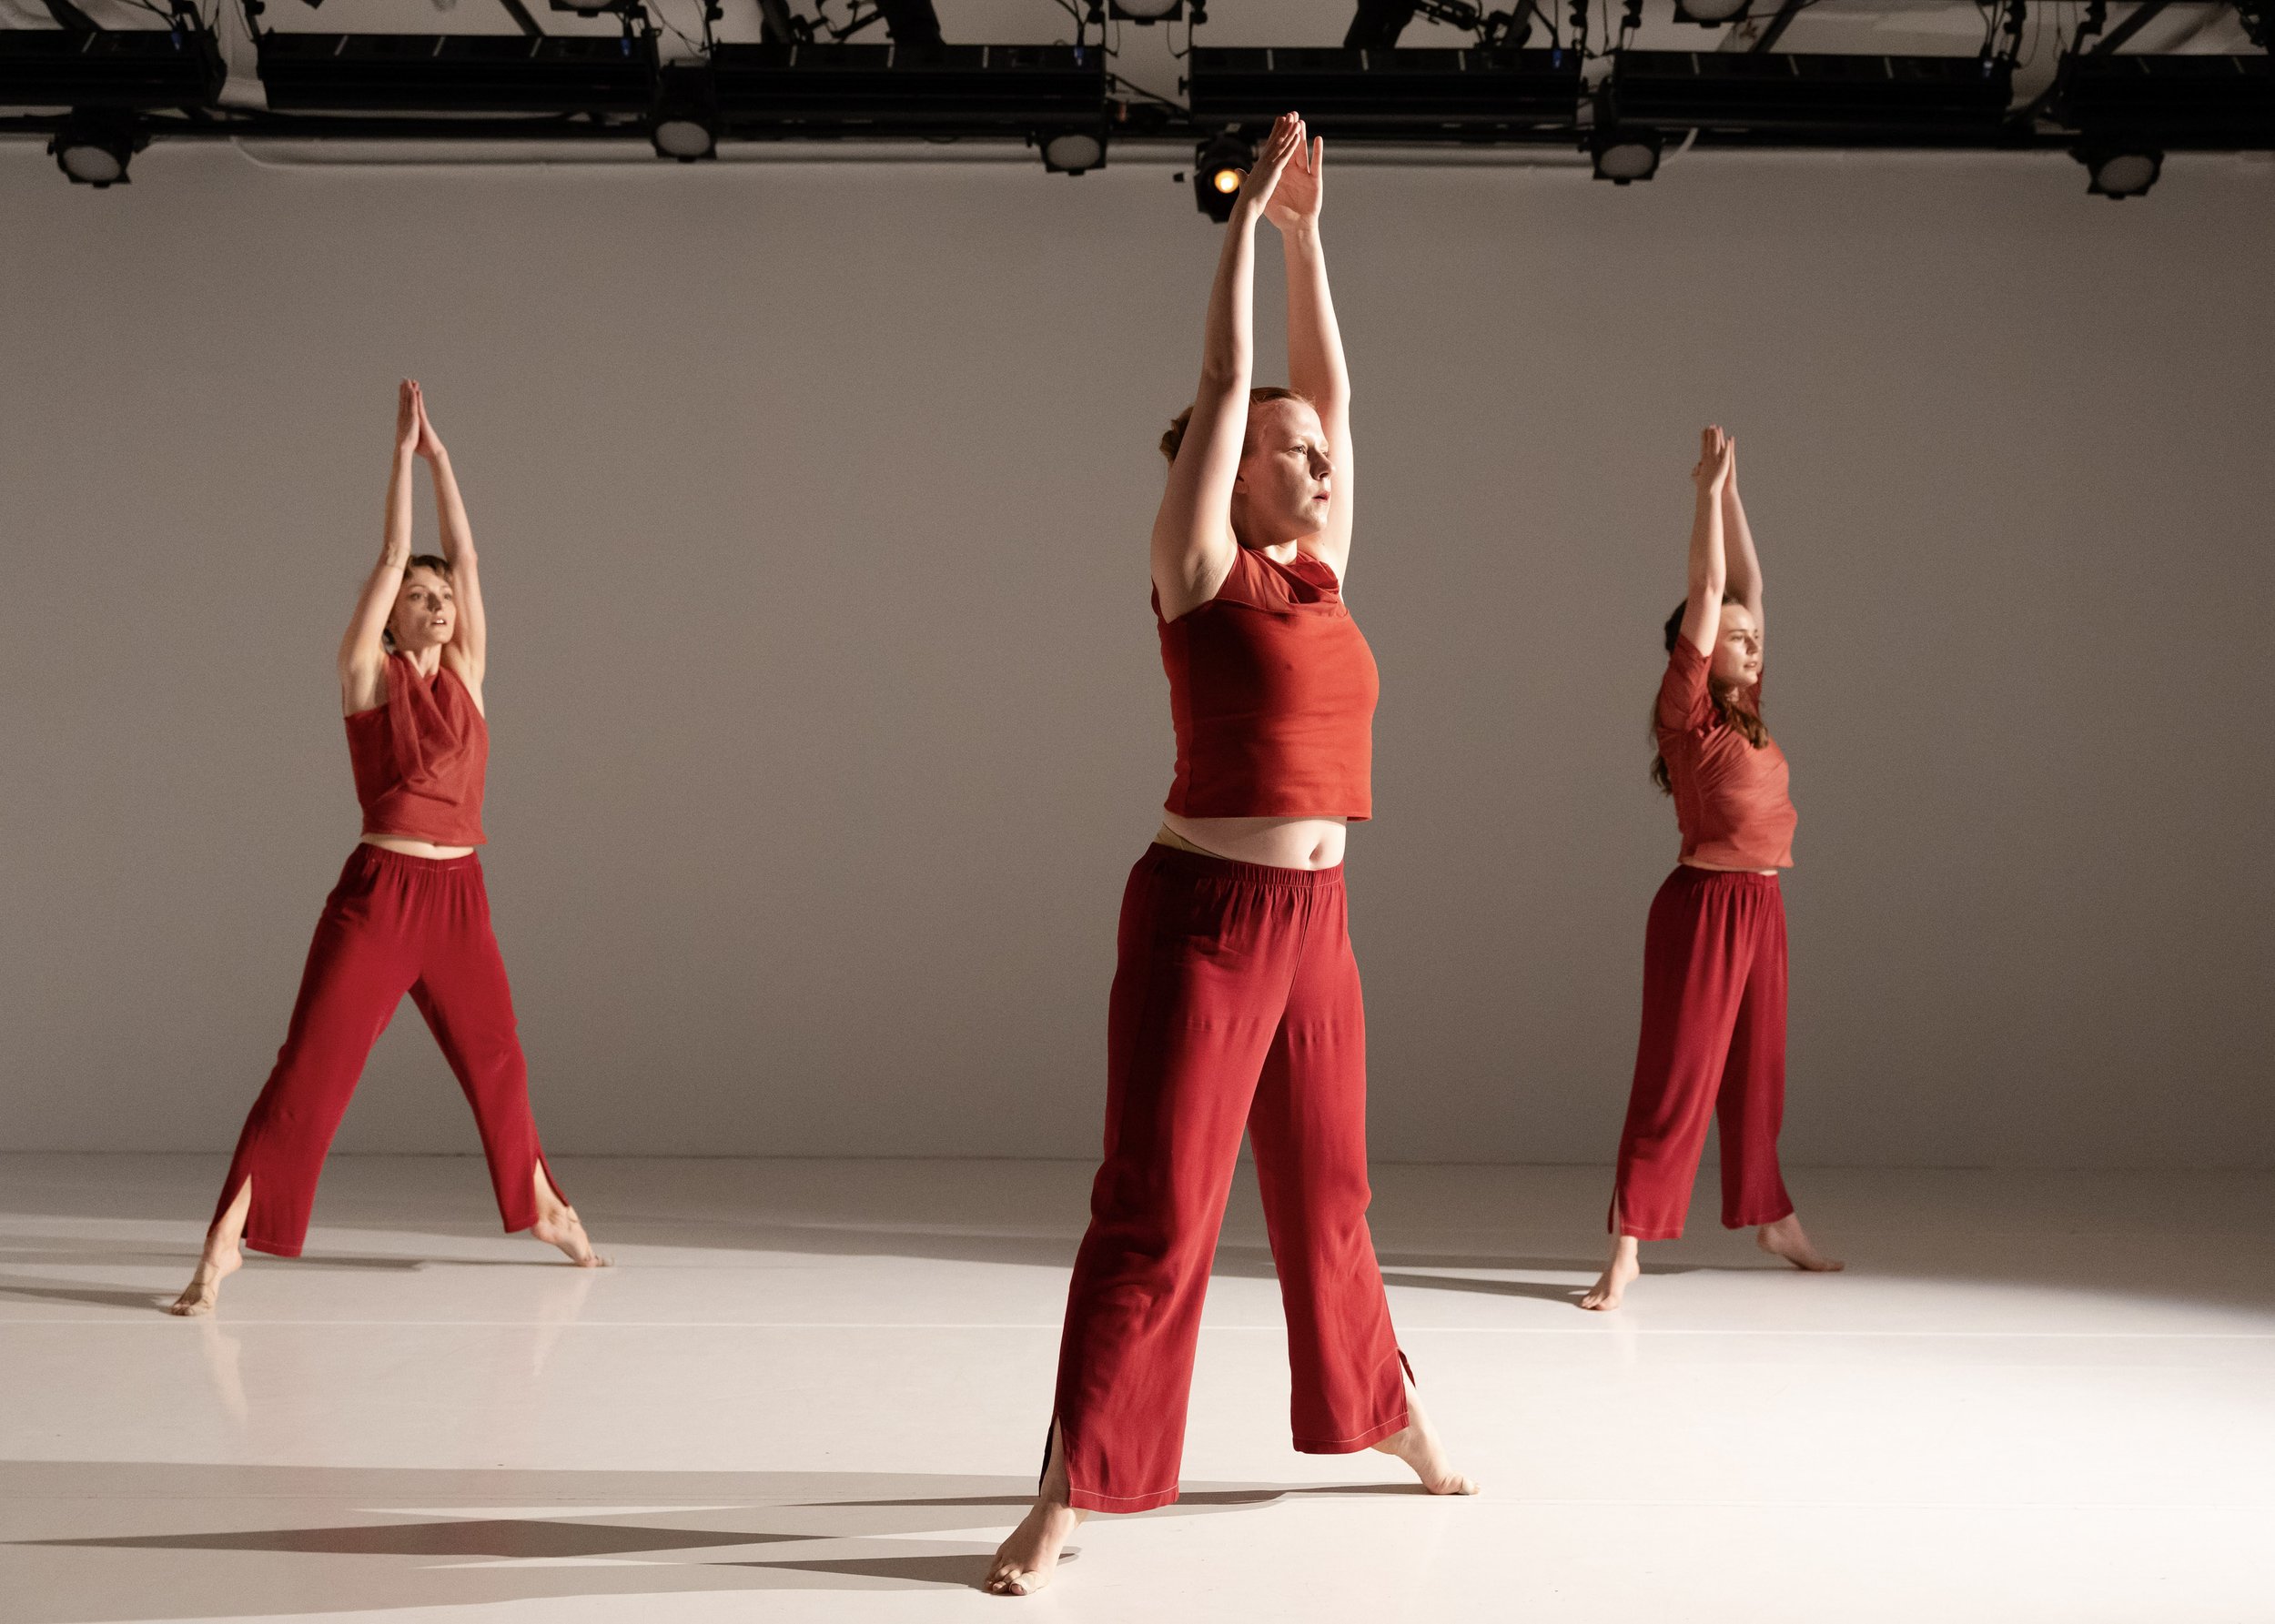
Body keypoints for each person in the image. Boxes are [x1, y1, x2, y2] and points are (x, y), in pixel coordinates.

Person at [986, 113, 1475, 1599]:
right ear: (1227, 477)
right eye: (1288, 455)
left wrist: (1313, 237)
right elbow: (1232, 384)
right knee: (1158, 1206)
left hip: (1318, 921)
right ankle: (1075, 1482)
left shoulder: (1326, 573)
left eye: (1323, 456)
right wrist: (1241, 228)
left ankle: (1378, 1406)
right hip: (1203, 920)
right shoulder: (1198, 573)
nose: (1319, 461)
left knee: (1331, 1195)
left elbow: (1333, 386)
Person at [169, 380, 602, 1317]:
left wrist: (448, 462)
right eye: (419, 596)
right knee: (310, 1069)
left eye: (443, 595)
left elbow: (472, 556)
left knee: (500, 1062)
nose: (436, 602)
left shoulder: (473, 677)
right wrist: (402, 460)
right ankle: (224, 1245)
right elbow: (393, 551)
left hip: (460, 902)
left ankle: (547, 1210)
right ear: (392, 617)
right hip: (380, 896)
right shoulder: (365, 677)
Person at [1580, 426, 1842, 1313]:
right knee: (1677, 1074)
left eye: (1749, 639)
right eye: (1731, 639)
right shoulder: (1687, 718)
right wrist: (1701, 494)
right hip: (1700, 910)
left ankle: (1771, 1217)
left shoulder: (1749, 711)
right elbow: (1709, 588)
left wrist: (1734, 493)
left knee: (1757, 1071)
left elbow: (1748, 587)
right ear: (1694, 656)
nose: (1748, 641)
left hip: (1762, 908)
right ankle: (1625, 1249)